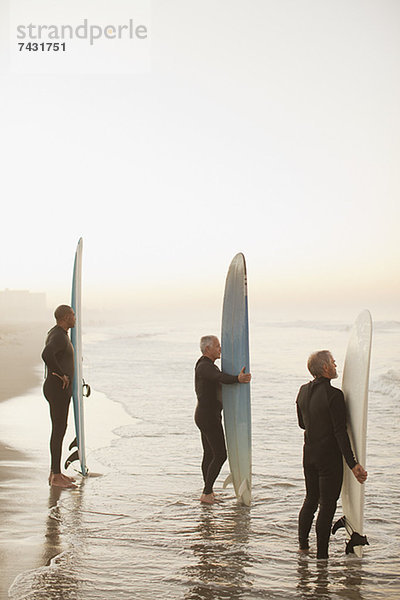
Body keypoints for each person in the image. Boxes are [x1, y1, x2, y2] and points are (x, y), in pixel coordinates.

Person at [296, 350, 367, 559]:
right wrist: (353, 464)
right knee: (327, 505)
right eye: (333, 363)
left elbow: (302, 424)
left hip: (309, 454)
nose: (336, 366)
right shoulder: (335, 396)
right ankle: (322, 557)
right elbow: (340, 433)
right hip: (329, 458)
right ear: (325, 368)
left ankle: (303, 546)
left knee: (310, 499)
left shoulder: (302, 391)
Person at [194, 335, 251, 505]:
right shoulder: (205, 366)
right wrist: (237, 379)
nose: (220, 349)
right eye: (217, 346)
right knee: (220, 455)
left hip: (206, 416)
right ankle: (206, 493)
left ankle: (208, 492)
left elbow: (219, 377)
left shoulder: (207, 365)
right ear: (207, 349)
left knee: (209, 454)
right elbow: (220, 377)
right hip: (208, 417)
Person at [42, 305, 77, 488]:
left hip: (56, 389)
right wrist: (61, 374)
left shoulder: (59, 334)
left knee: (59, 430)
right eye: (72, 315)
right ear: (64, 317)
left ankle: (54, 473)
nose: (75, 317)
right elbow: (47, 354)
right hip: (57, 389)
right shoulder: (58, 336)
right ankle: (56, 477)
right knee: (58, 430)